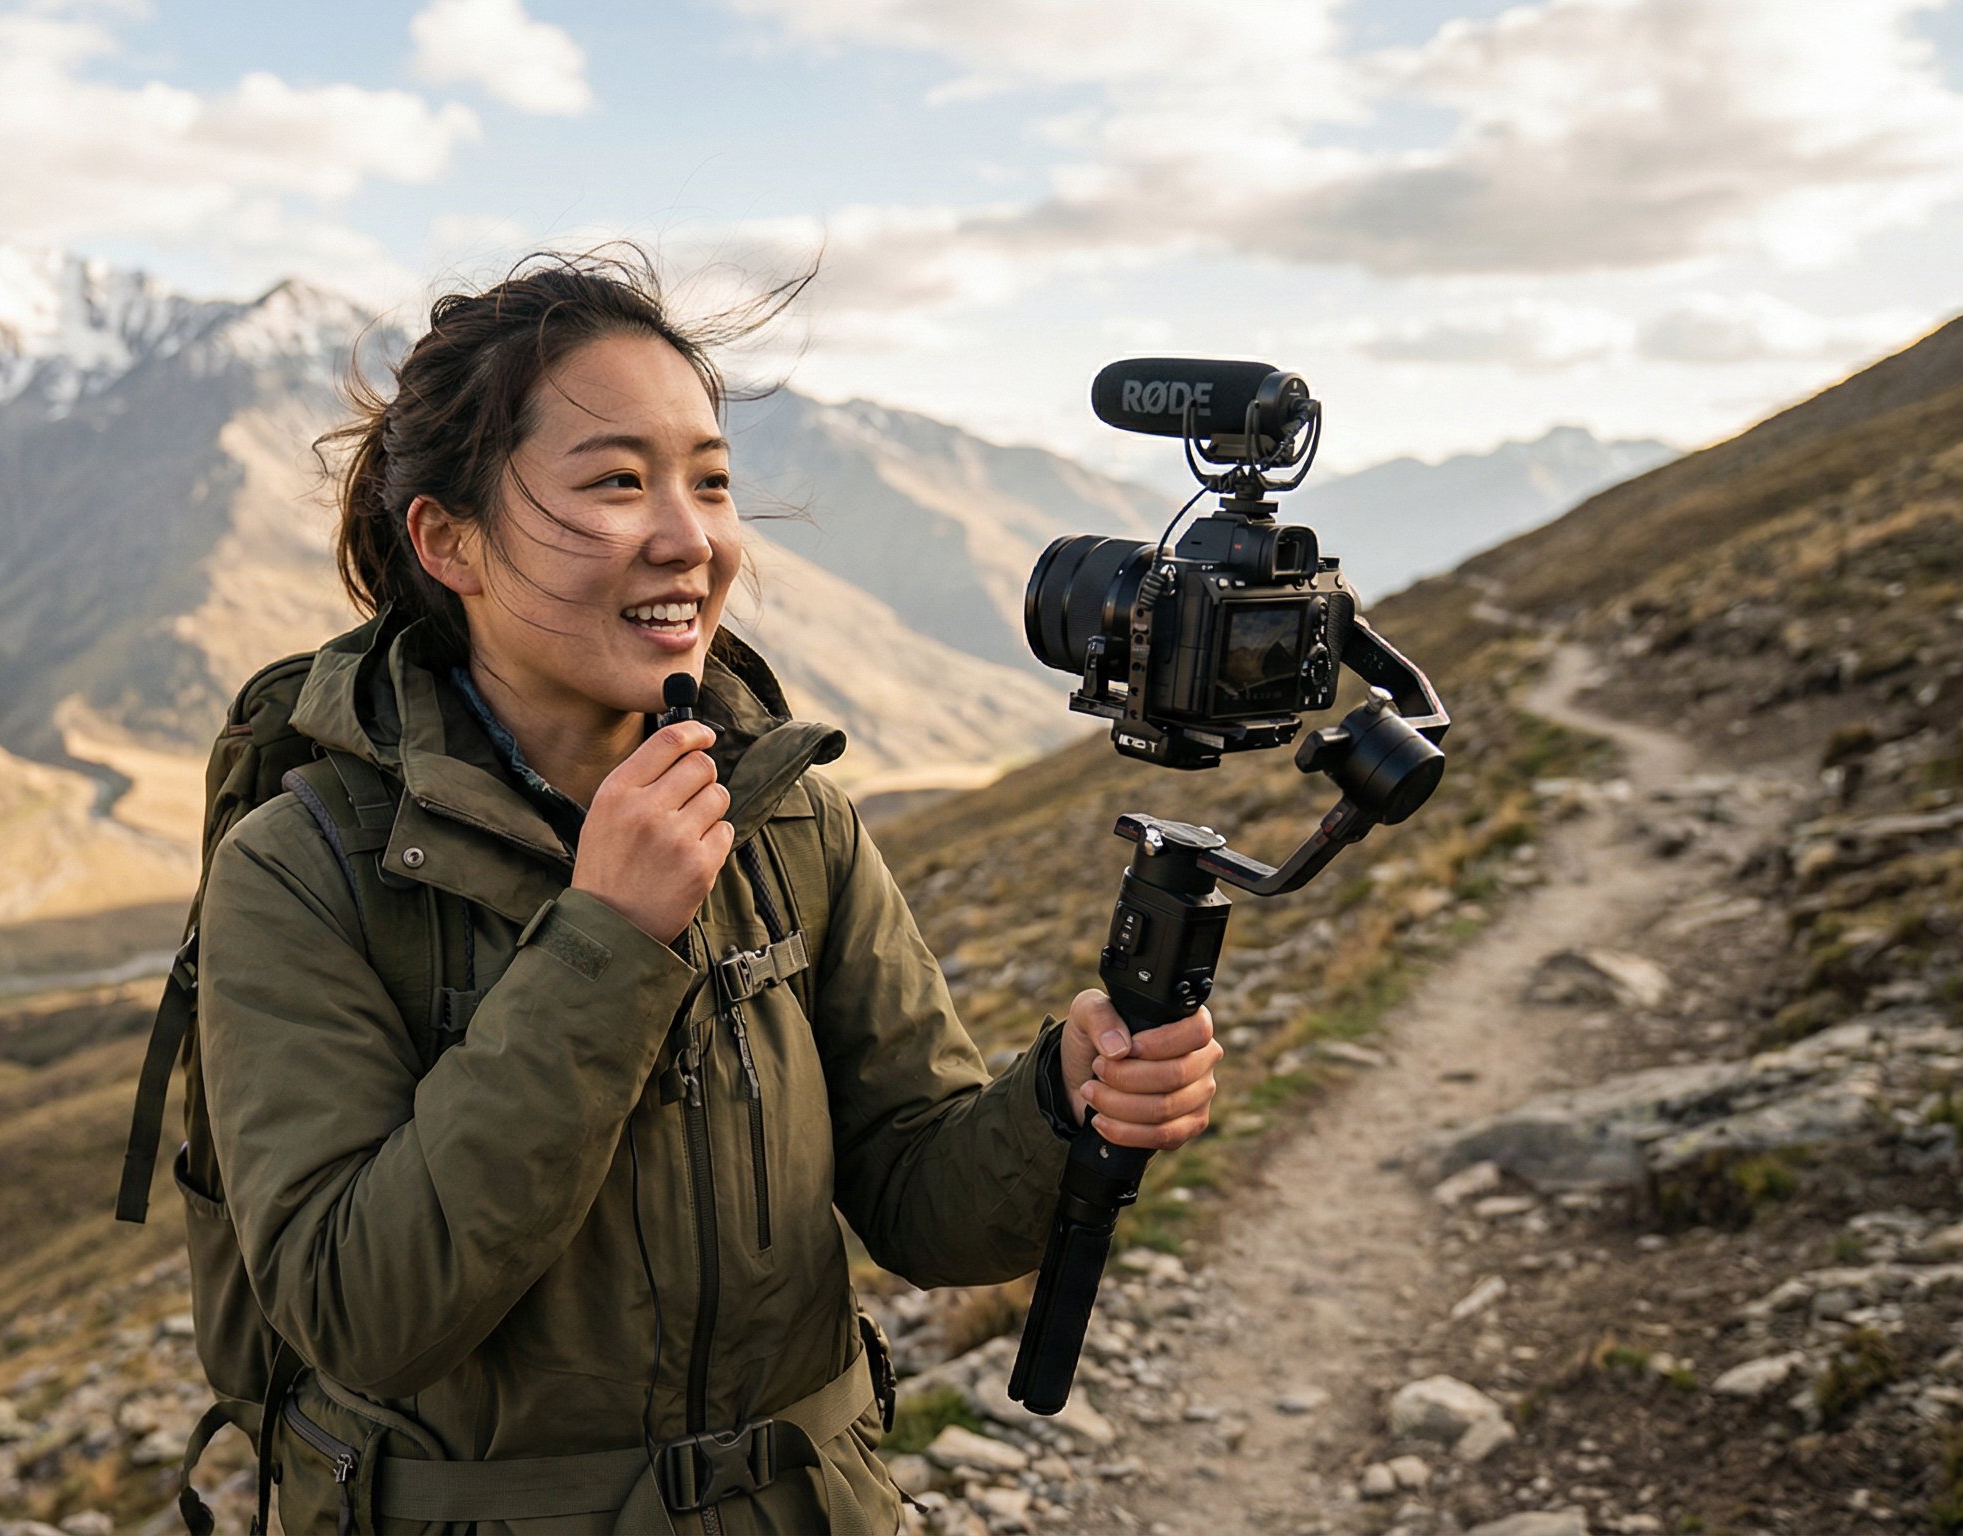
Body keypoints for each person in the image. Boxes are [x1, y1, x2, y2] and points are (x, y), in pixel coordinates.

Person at [194, 250, 1221, 1535]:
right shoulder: (303, 870)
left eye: (712, 481)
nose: (691, 539)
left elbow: (921, 1198)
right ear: (446, 539)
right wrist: (605, 944)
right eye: (617, 483)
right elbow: (363, 1315)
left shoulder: (788, 819)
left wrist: (1059, 1107)